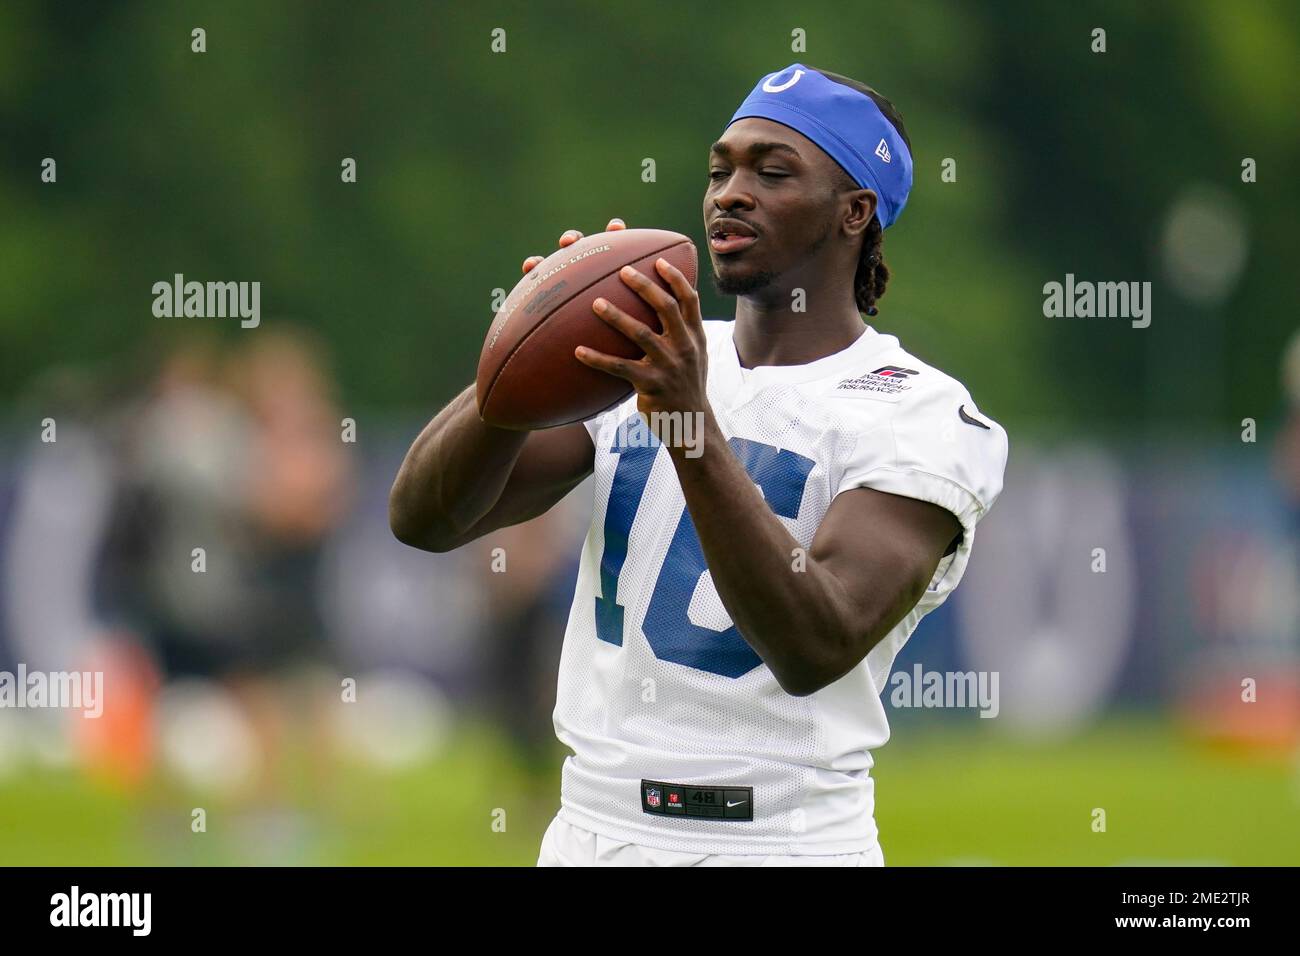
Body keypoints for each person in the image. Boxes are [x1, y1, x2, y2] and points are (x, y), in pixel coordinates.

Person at [391, 63, 1008, 866]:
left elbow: (812, 643)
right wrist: (522, 349)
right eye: (720, 170)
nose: (729, 193)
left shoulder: (918, 412)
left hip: (779, 841)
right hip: (592, 831)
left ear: (855, 211)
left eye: (771, 171)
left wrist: (688, 420)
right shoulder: (650, 352)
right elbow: (425, 519)